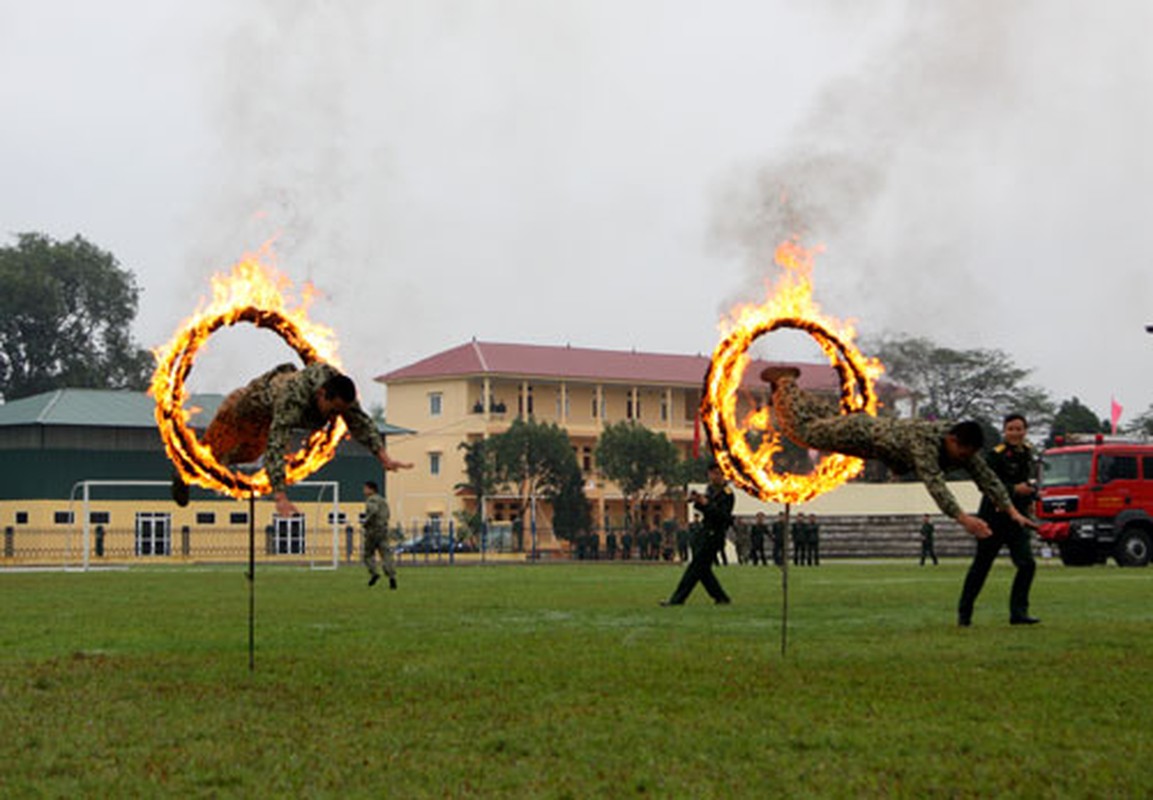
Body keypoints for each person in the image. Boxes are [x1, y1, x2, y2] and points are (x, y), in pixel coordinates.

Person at [761, 367, 1035, 541]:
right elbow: (935, 484)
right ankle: (783, 381)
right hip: (862, 435)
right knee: (803, 433)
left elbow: (987, 478)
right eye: (961, 452)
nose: (964, 458)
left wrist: (1012, 511)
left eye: (968, 454)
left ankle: (788, 386)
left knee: (821, 420)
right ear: (952, 439)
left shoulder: (965, 446)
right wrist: (964, 519)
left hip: (870, 439)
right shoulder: (926, 442)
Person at [173, 362, 412, 517]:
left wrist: (383, 456)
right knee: (211, 452)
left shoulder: (339, 391)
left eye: (339, 411)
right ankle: (184, 471)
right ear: (321, 395)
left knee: (244, 455)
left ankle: (201, 469)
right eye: (332, 410)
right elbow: (277, 444)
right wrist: (280, 496)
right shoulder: (294, 397)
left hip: (265, 421)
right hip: (240, 410)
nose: (334, 416)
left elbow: (360, 422)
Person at [957, 413, 1039, 626]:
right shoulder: (995, 455)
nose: (1015, 433)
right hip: (993, 518)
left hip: (1017, 519)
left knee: (1027, 564)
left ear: (1025, 431)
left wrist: (1030, 496)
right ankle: (964, 614)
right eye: (1011, 429)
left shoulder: (1028, 453)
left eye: (1019, 429)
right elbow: (988, 484)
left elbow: (1029, 480)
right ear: (1004, 431)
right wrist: (1013, 490)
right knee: (981, 567)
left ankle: (1019, 613)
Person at [662, 463, 733, 606]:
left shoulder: (727, 493)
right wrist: (697, 501)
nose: (715, 477)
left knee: (695, 568)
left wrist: (706, 504)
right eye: (712, 473)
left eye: (718, 473)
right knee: (703, 570)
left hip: (715, 534)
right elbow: (705, 509)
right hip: (704, 533)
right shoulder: (710, 489)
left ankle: (677, 599)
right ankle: (721, 597)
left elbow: (723, 516)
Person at [362, 480, 397, 589]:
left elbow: (373, 511)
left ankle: (374, 573)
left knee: (368, 554)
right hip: (383, 530)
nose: (364, 490)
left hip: (373, 531)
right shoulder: (383, 500)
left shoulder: (371, 500)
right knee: (386, 555)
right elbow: (387, 514)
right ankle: (392, 577)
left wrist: (366, 522)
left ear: (371, 489)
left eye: (366, 488)